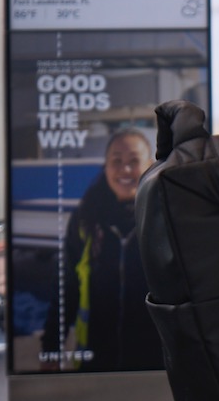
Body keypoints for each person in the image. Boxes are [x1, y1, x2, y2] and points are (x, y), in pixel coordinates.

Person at [59, 128, 162, 372]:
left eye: (134, 161)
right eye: (116, 161)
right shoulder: (85, 220)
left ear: (149, 166)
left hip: (155, 362)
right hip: (94, 358)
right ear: (105, 167)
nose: (125, 170)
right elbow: (66, 286)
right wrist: (52, 343)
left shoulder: (165, 217)